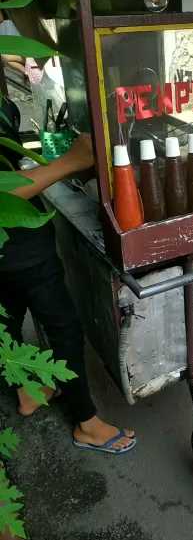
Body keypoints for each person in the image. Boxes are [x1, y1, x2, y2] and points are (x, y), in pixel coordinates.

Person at [0, 97, 137, 455]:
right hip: (19, 247)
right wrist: (71, 161)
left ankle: (24, 392)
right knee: (63, 327)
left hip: (14, 243)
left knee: (8, 318)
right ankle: (86, 423)